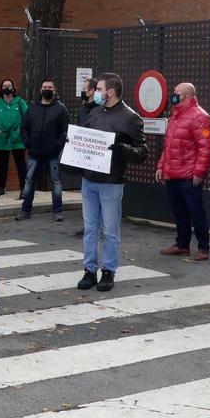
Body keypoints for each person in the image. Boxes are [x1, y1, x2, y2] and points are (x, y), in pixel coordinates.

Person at [76, 73, 149, 293]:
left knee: (110, 230)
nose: (95, 93)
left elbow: (142, 151)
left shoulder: (130, 117)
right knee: (90, 229)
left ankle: (108, 271)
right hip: (89, 179)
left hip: (111, 181)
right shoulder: (95, 112)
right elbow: (85, 138)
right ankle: (89, 270)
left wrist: (121, 148)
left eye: (98, 89)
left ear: (111, 91)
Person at [155, 82, 210, 261]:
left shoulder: (200, 117)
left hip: (189, 175)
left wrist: (199, 172)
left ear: (186, 96)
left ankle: (203, 247)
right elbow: (168, 146)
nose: (173, 95)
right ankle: (182, 245)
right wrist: (161, 166)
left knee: (196, 211)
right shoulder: (176, 116)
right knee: (178, 210)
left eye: (176, 93)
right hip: (172, 173)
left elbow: (206, 148)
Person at [16, 78, 69, 222]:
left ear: (54, 90)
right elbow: (24, 128)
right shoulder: (32, 108)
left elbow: (65, 130)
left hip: (53, 153)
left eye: (50, 87)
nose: (47, 89)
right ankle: (25, 210)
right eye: (45, 86)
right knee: (29, 181)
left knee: (56, 182)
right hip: (34, 152)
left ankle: (57, 211)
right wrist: (27, 143)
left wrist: (58, 145)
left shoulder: (61, 108)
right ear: (40, 89)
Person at [0, 78, 27, 196]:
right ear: (1, 89)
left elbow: (28, 117)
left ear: (13, 88)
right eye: (4, 85)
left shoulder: (20, 102)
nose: (7, 87)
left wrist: (20, 129)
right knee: (2, 164)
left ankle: (24, 188)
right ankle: (1, 187)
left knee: (20, 164)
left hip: (17, 138)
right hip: (1, 138)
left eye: (9, 85)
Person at [72, 76, 98, 239]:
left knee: (95, 192)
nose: (83, 91)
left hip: (95, 154)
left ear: (93, 91)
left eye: (86, 88)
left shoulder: (98, 110)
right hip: (84, 154)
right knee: (87, 192)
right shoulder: (83, 110)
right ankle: (89, 225)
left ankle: (94, 225)